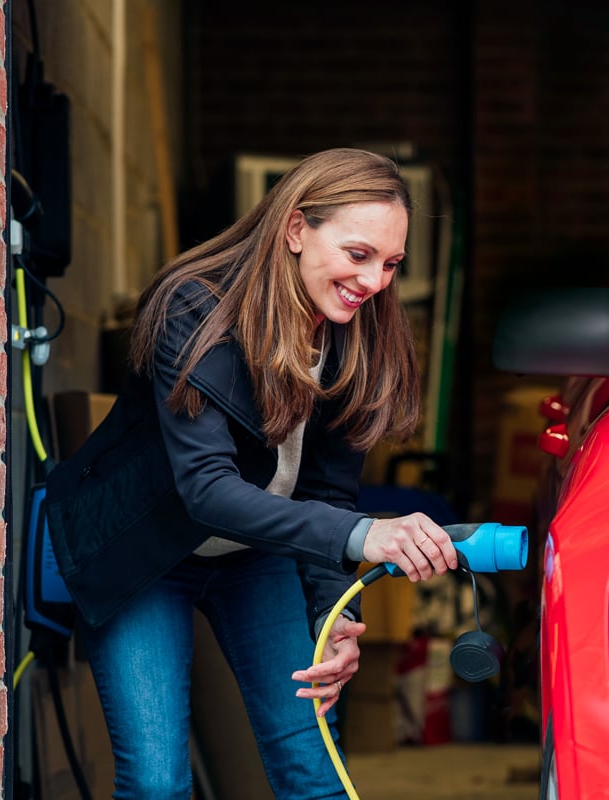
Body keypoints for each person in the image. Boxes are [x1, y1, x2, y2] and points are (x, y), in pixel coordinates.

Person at [43, 147, 458, 799]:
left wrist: (331, 617)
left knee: (312, 772)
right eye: (359, 254)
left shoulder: (356, 334)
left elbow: (326, 491)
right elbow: (205, 491)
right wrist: (362, 537)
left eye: (391, 264)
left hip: (256, 557)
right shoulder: (193, 310)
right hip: (146, 553)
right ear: (296, 229)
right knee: (156, 783)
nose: (376, 281)